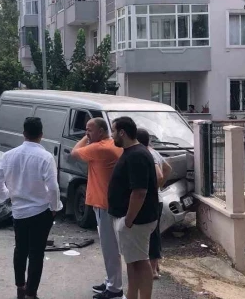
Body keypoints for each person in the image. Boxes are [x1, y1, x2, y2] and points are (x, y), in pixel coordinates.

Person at [0, 117, 62, 299]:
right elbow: (53, 187)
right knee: (36, 253)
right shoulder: (46, 157)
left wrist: (7, 195)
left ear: (24, 133)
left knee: (20, 249)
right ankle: (31, 292)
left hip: (19, 211)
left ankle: (20, 287)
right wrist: (54, 207)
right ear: (41, 135)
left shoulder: (8, 155)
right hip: (40, 211)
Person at [71, 117, 124, 299]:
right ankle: (111, 281)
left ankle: (115, 288)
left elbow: (74, 153)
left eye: (89, 130)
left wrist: (85, 138)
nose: (87, 133)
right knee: (110, 247)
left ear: (101, 131)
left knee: (109, 248)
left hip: (104, 204)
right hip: (106, 203)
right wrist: (89, 135)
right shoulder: (110, 144)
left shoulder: (100, 148)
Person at [109, 117, 160, 299]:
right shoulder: (131, 152)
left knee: (140, 262)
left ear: (122, 132)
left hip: (136, 221)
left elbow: (139, 192)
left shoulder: (137, 155)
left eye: (113, 131)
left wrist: (128, 220)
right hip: (132, 220)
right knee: (133, 262)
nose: (111, 135)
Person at [135, 128, 172, 280]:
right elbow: (168, 168)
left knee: (151, 235)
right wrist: (158, 187)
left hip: (152, 200)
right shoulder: (152, 151)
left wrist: (153, 188)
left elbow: (160, 174)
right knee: (153, 233)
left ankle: (152, 269)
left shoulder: (147, 153)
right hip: (156, 199)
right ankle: (154, 266)